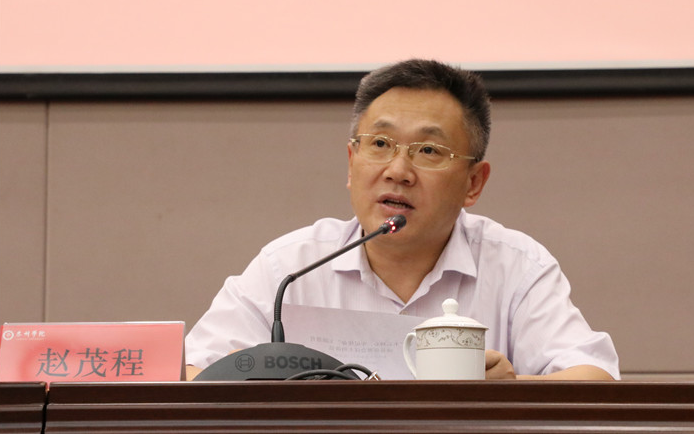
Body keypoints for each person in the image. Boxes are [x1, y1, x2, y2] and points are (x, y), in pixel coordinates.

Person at [185, 59, 619, 381]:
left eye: (428, 151)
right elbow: (192, 371)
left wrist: (508, 389)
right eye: (379, 144)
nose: (398, 170)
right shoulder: (290, 267)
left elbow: (595, 378)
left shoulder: (515, 266)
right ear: (351, 163)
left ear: (473, 183)